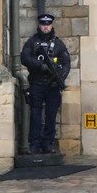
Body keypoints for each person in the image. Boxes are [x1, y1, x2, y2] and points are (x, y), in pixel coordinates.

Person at [21, 13, 71, 154]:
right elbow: (24, 58)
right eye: (43, 24)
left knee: (51, 114)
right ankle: (34, 144)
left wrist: (60, 76)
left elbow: (66, 63)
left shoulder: (58, 44)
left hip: (52, 86)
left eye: (48, 25)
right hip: (37, 83)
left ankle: (48, 144)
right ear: (39, 25)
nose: (45, 27)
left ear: (51, 26)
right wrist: (39, 65)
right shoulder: (32, 42)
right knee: (35, 115)